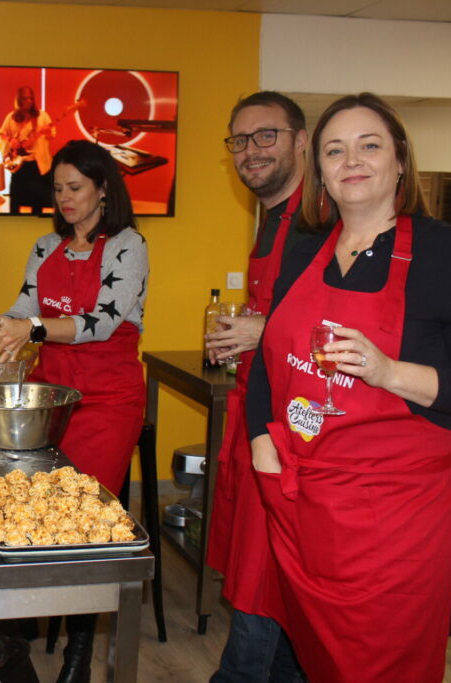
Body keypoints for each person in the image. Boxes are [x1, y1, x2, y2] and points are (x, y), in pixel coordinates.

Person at [247, 92, 451, 682]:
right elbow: (270, 362)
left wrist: (388, 372)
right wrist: (261, 447)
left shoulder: (450, 254)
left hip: (396, 523)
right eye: (335, 149)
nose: (352, 160)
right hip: (304, 506)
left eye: (369, 145)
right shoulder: (302, 251)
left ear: (400, 159)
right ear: (318, 170)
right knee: (316, 658)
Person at [0, 139, 148, 683]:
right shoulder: (47, 247)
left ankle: (78, 654)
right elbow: (25, 309)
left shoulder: (127, 245)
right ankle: (16, 637)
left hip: (108, 399)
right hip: (51, 395)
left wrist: (33, 328)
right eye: (58, 189)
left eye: (75, 188)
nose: (65, 199)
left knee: (85, 525)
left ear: (102, 189)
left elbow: (103, 321)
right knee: (30, 507)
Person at [205, 91, 309, 682]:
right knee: (261, 578)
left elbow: (346, 328)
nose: (251, 151)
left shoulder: (321, 220)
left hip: (292, 434)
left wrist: (262, 330)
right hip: (257, 417)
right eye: (240, 141)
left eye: (266, 136)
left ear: (300, 140)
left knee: (263, 582)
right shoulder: (272, 221)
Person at [0, 85, 55, 215]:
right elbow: (2, 133)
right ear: (19, 100)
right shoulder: (11, 117)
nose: (29, 101)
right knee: (16, 198)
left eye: (30, 98)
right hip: (19, 165)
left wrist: (46, 133)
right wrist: (10, 141)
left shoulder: (42, 116)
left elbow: (52, 134)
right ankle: (13, 221)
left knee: (38, 200)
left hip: (37, 164)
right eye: (25, 98)